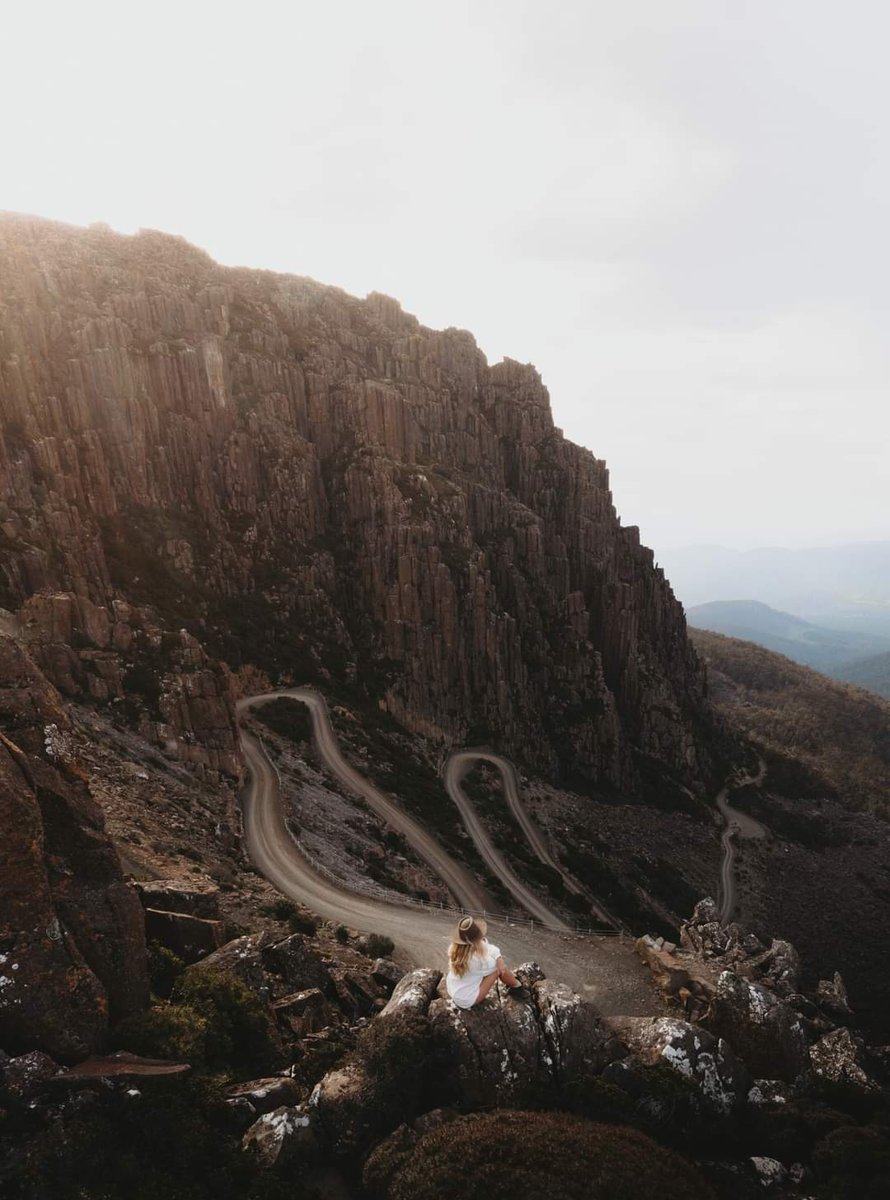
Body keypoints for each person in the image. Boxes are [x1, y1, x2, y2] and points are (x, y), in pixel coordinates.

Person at [445, 916, 523, 1008]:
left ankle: (515, 984)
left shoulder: (454, 950)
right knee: (498, 969)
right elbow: (501, 968)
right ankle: (517, 987)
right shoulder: (478, 961)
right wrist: (499, 960)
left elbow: (487, 947)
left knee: (494, 966)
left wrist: (498, 957)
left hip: (454, 990)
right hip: (466, 999)